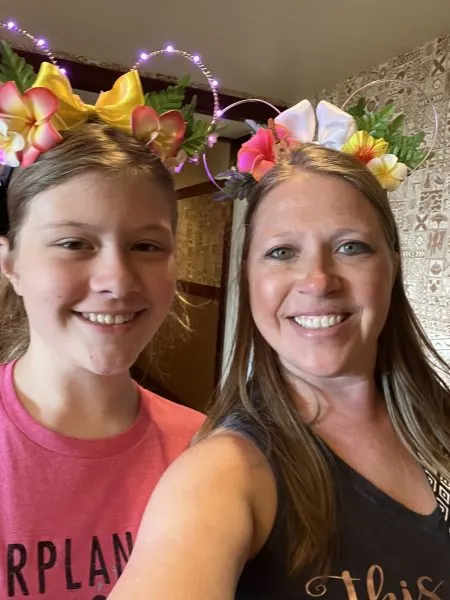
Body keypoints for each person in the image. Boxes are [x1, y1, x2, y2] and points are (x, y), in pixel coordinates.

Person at [108, 98, 450, 599]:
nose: (317, 280)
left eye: (351, 247)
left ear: (391, 266)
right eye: (282, 252)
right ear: (248, 276)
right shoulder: (222, 475)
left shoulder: (439, 421)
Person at [0, 41, 212, 599]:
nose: (117, 281)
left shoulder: (208, 453)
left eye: (146, 245)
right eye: (74, 243)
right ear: (11, 264)